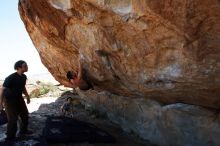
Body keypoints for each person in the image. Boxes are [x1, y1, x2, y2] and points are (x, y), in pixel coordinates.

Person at [0, 60, 31, 141]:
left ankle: (23, 131)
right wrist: (1, 104)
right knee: (13, 119)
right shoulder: (11, 77)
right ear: (18, 67)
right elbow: (2, 90)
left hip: (19, 99)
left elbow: (22, 87)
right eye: (25, 65)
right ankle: (10, 137)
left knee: (25, 115)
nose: (27, 67)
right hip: (9, 101)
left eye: (26, 65)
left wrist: (27, 96)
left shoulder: (24, 77)